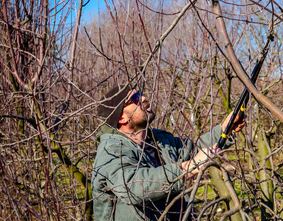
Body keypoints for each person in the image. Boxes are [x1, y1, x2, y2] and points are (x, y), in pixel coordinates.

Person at [92, 85, 245, 220]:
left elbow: (195, 149)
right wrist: (188, 168)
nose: (144, 98)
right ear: (122, 118)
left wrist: (225, 129)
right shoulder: (109, 151)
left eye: (140, 93)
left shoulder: (160, 140)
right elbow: (133, 186)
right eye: (135, 98)